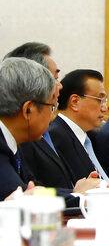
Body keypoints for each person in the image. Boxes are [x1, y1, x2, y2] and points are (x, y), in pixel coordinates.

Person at [0, 58, 98, 201]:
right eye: (52, 107)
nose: (53, 117)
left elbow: (35, 190)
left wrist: (75, 193)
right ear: (28, 110)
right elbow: (22, 197)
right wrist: (79, 195)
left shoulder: (14, 141)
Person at [48, 69, 109, 185]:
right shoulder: (57, 137)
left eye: (105, 101)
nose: (105, 108)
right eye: (100, 100)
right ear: (75, 102)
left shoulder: (91, 136)